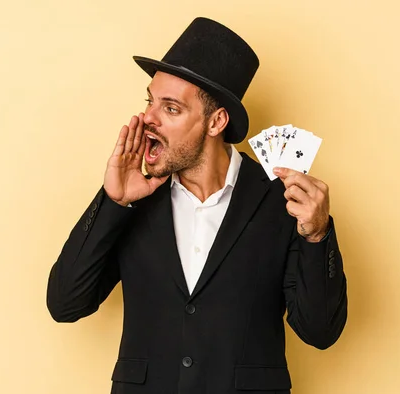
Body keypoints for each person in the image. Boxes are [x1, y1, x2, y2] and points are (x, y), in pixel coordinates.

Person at [46, 17, 347, 394]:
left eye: (171, 109)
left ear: (216, 121)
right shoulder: (134, 199)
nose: (148, 119)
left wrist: (317, 235)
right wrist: (113, 202)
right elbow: (65, 304)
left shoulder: (280, 200)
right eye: (150, 101)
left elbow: (320, 331)